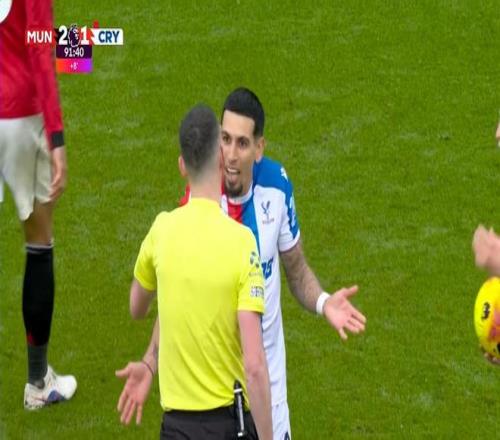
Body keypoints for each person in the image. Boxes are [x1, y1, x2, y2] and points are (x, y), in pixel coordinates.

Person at [117, 88, 366, 438]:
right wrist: (150, 361)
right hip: (221, 399)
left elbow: (296, 270)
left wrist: (324, 303)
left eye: (243, 143)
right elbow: (180, 293)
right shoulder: (196, 202)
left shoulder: (277, 188)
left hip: (267, 389)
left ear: (259, 148)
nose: (231, 155)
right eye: (225, 140)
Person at [118, 104, 273, 439]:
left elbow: (137, 308)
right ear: (221, 158)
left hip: (176, 429)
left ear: (181, 166)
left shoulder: (162, 231)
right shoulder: (241, 243)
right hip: (228, 426)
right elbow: (255, 366)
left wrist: (149, 363)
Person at [0, 0, 76, 409]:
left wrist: (80, 48)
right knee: (39, 242)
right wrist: (57, 136)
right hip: (20, 118)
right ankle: (38, 382)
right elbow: (39, 48)